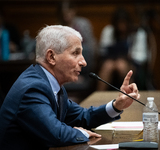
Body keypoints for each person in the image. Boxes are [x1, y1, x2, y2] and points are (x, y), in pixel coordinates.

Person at [0, 25, 140, 150]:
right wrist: (82, 133)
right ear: (51, 57)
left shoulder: (52, 85)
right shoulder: (33, 89)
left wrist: (117, 105)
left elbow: (82, 117)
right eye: (75, 53)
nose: (84, 62)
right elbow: (55, 134)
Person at [58, 0, 96, 93]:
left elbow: (92, 48)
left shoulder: (83, 24)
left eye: (68, 11)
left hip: (82, 64)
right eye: (63, 12)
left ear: (73, 10)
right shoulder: (58, 28)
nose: (66, 14)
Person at [97, 7, 135, 90]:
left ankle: (132, 93)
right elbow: (102, 51)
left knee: (121, 65)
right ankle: (99, 96)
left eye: (124, 23)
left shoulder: (136, 33)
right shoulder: (109, 30)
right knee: (108, 65)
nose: (121, 26)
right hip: (110, 60)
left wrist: (127, 57)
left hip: (131, 63)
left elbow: (140, 56)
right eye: (119, 23)